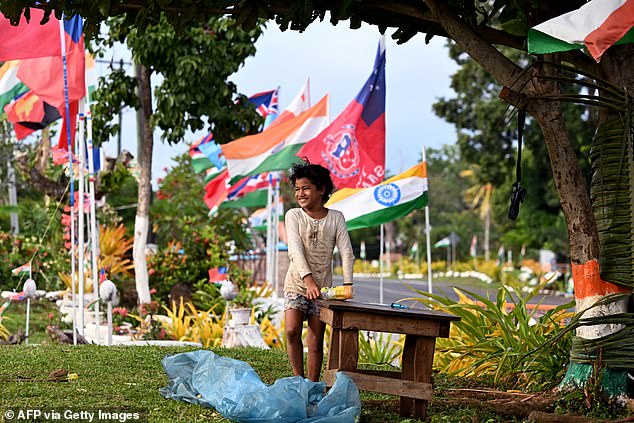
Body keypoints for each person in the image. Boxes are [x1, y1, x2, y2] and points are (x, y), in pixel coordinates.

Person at [284, 160, 354, 382]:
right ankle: (298, 381)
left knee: (315, 340)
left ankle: (311, 387)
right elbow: (295, 250)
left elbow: (347, 252)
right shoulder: (293, 215)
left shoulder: (336, 218)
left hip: (323, 289)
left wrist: (348, 284)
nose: (300, 193)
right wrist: (308, 281)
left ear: (321, 189)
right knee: (291, 331)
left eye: (306, 188)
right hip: (296, 283)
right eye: (297, 189)